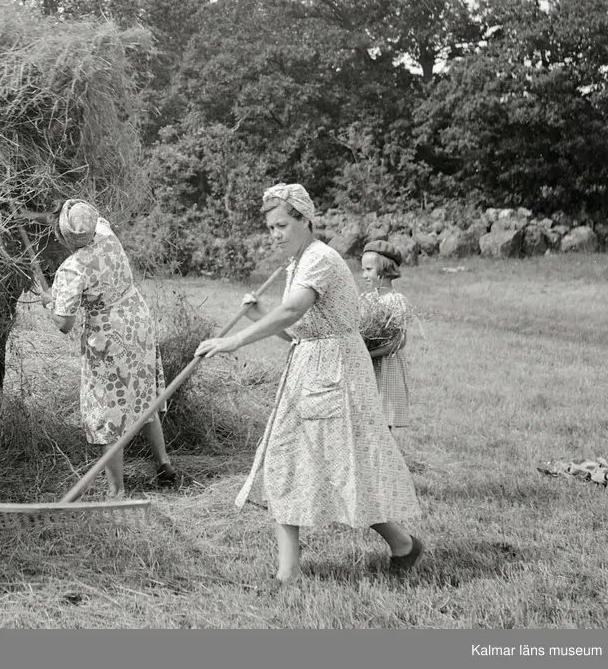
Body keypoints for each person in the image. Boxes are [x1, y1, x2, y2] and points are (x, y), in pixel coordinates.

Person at [195, 183, 423, 584]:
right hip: (309, 366)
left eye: (283, 224)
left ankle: (403, 544)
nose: (276, 234)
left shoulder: (319, 257)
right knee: (285, 461)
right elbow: (299, 329)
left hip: (336, 373)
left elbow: (295, 309)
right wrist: (259, 316)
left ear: (305, 220)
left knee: (344, 468)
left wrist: (233, 341)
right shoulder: (297, 263)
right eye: (270, 228)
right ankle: (290, 572)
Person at [36, 198, 178, 498]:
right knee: (142, 396)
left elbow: (64, 323)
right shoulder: (106, 233)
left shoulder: (72, 269)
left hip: (108, 338)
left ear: (62, 238)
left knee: (107, 411)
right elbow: (86, 220)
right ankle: (164, 463)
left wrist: (51, 302)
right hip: (137, 322)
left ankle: (117, 491)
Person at [360, 240, 411, 433]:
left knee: (382, 420)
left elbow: (399, 341)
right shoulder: (366, 300)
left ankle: (384, 459)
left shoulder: (396, 301)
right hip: (366, 366)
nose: (364, 275)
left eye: (368, 269)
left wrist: (370, 354)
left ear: (384, 270)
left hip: (386, 366)